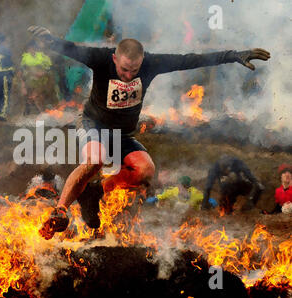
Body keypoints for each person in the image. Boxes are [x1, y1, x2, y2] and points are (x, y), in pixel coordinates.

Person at [26, 26, 270, 240]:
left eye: (134, 70)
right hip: (93, 124)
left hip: (122, 133)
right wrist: (51, 41)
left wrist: (233, 55)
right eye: (123, 70)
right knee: (95, 160)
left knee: (145, 171)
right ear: (114, 59)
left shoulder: (152, 63)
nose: (129, 75)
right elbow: (73, 49)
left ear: (142, 61)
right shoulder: (101, 59)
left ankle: (94, 193)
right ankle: (60, 211)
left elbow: (191, 59)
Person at [19, 39, 58, 115]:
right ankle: (30, 105)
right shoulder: (25, 57)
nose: (31, 50)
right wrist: (22, 81)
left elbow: (49, 66)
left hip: (43, 77)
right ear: (28, 49)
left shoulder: (42, 56)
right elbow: (21, 70)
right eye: (30, 48)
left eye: (33, 48)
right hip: (30, 77)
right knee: (31, 89)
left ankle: (47, 108)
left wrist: (44, 72)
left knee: (46, 89)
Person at [145, 175, 217, 211]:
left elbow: (206, 198)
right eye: (179, 185)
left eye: (182, 186)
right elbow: (160, 197)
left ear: (188, 187)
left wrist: (211, 201)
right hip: (175, 217)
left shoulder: (195, 193)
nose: (179, 188)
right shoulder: (173, 191)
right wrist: (152, 199)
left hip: (192, 217)